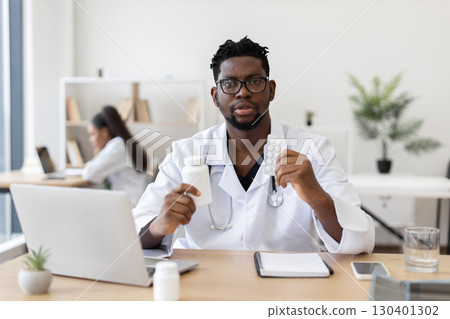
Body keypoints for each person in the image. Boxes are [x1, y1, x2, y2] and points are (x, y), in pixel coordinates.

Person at [133, 37, 374, 254]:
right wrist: (159, 225)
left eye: (254, 82)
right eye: (229, 84)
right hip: (206, 281)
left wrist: (316, 196)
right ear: (215, 96)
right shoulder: (185, 153)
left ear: (271, 90)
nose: (242, 93)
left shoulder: (313, 149)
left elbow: (360, 240)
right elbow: (133, 236)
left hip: (289, 284)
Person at [82, 106, 151, 208]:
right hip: (133, 204)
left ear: (104, 132)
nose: (90, 140)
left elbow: (89, 173)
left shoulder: (117, 146)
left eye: (92, 134)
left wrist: (100, 153)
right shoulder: (126, 143)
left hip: (128, 207)